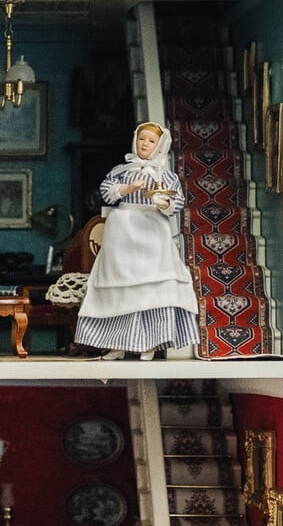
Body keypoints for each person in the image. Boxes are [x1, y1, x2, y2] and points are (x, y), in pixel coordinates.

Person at [74, 122, 200, 359]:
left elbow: (176, 203)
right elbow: (106, 192)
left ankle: (148, 343)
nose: (144, 144)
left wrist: (163, 203)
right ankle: (116, 344)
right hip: (123, 230)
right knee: (119, 285)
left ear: (159, 146)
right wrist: (128, 188)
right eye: (141, 139)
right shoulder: (122, 171)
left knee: (150, 285)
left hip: (152, 231)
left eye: (151, 141)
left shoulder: (166, 176)